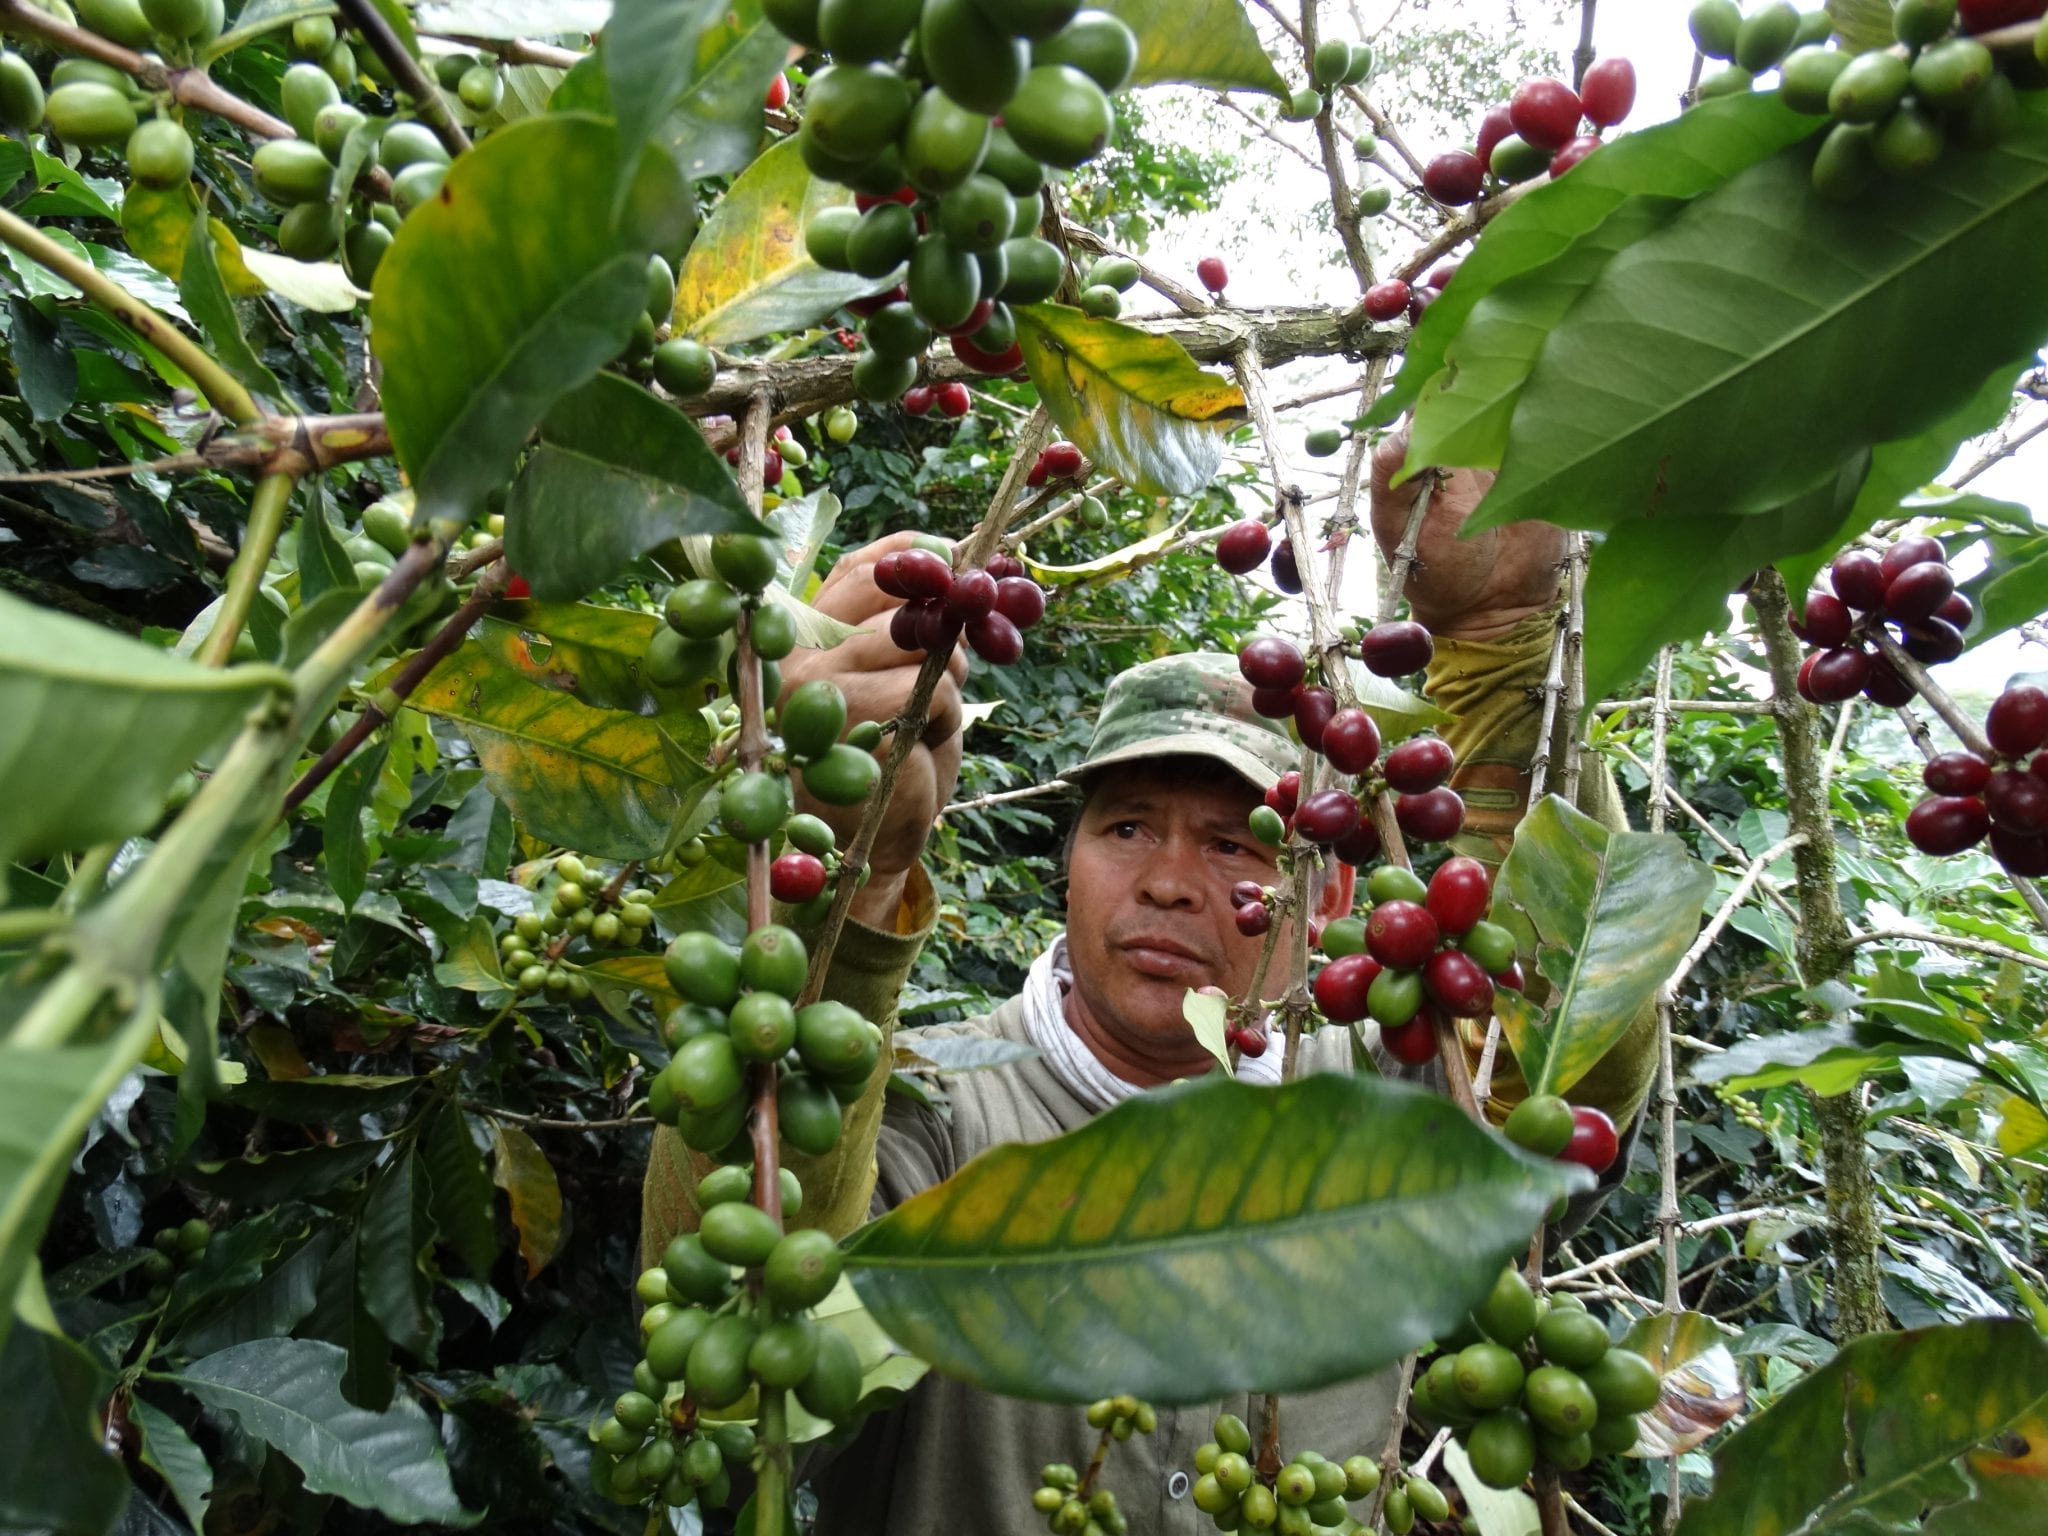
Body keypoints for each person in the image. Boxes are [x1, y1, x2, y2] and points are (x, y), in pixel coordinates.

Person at [641, 438, 1660, 1533]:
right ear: (1066, 861)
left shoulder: (1385, 1115)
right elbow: (742, 1350)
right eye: (1127, 828)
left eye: (1236, 845)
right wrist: (844, 893)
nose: (1171, 884)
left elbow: (1551, 1063)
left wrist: (1501, 642)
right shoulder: (935, 1106)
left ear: (1324, 898)